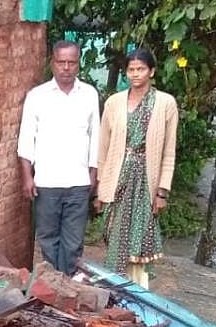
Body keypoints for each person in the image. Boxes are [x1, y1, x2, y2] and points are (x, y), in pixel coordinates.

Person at [96, 47, 178, 290]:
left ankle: (137, 291)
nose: (135, 74)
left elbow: (169, 151)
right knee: (114, 234)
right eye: (131, 69)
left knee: (139, 237)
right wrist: (101, 185)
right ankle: (113, 289)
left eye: (140, 69)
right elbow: (104, 147)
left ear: (151, 71)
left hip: (146, 182)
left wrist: (162, 191)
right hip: (117, 179)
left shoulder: (165, 103)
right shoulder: (114, 102)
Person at [17, 40, 100, 277]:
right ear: (53, 63)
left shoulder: (89, 95)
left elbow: (96, 135)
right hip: (46, 182)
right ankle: (53, 283)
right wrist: (27, 177)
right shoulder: (38, 96)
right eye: (61, 62)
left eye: (71, 62)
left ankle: (69, 284)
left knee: (73, 242)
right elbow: (26, 139)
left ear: (78, 64)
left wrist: (93, 175)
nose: (66, 68)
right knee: (48, 238)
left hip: (78, 182)